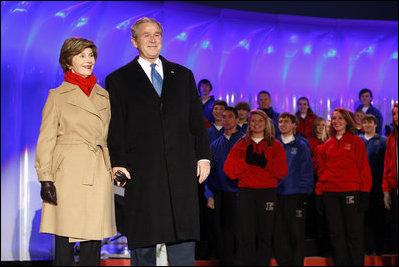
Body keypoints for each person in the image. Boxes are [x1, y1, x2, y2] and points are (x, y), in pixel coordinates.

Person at [105, 17, 211, 266]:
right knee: (144, 242)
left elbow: (196, 121)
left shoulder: (183, 75)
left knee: (182, 241)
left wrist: (203, 156)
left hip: (181, 172)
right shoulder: (118, 80)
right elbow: (116, 127)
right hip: (142, 174)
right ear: (134, 41)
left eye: (157, 34)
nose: (153, 40)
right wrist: (118, 162)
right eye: (146, 35)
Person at [35, 37, 117, 266]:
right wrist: (46, 178)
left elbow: (111, 135)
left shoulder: (104, 96)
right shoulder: (57, 96)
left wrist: (115, 166)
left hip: (98, 169)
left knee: (93, 235)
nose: (88, 60)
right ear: (68, 61)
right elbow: (46, 139)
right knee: (64, 236)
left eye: (91, 55)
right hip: (67, 172)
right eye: (82, 55)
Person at [223, 109, 288, 266]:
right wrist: (246, 162)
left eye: (260, 121)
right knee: (247, 235)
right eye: (253, 121)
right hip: (246, 193)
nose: (256, 124)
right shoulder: (241, 145)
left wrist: (265, 163)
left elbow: (282, 172)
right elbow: (229, 171)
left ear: (266, 123)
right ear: (249, 123)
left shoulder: (275, 145)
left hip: (267, 193)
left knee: (265, 235)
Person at [315, 108, 372, 266]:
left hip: (351, 192)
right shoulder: (327, 145)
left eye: (340, 118)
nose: (336, 121)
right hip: (330, 194)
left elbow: (364, 169)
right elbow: (322, 171)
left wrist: (365, 192)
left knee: (354, 235)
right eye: (334, 118)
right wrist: (319, 193)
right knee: (336, 235)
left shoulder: (356, 141)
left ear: (347, 121)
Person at [204, 107, 244, 265]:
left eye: (230, 116)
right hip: (220, 193)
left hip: (240, 194)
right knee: (223, 233)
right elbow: (209, 173)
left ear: (236, 120)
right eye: (224, 117)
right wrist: (209, 195)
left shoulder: (243, 141)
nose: (226, 119)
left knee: (239, 232)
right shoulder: (215, 144)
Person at [273, 112, 314, 266]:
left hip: (296, 196)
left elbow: (307, 171)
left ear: (294, 125)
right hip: (277, 195)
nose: (282, 124)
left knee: (296, 235)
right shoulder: (274, 144)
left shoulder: (301, 146)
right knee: (279, 234)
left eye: (286, 121)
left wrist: (304, 194)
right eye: (280, 121)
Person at [359, 114, 387, 255]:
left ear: (376, 125)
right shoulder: (358, 140)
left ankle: (379, 249)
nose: (368, 125)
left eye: (370, 122)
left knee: (378, 218)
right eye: (365, 122)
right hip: (360, 186)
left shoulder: (383, 141)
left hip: (377, 185)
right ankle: (366, 249)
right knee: (362, 219)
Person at [382, 102, 398, 254]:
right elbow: (387, 166)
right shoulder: (391, 139)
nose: (396, 116)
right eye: (394, 114)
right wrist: (386, 190)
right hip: (394, 188)